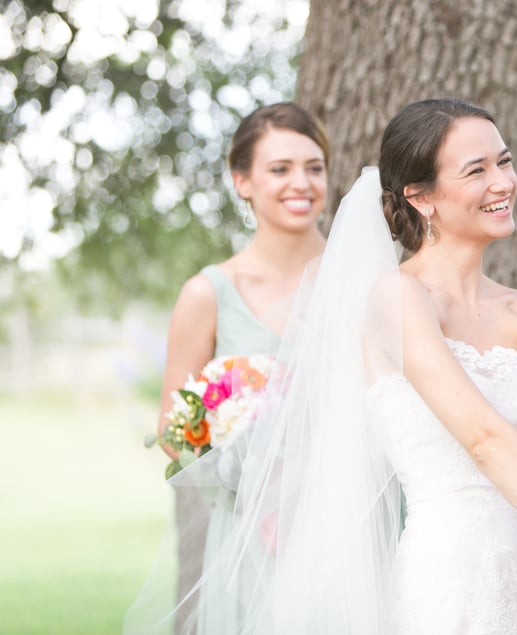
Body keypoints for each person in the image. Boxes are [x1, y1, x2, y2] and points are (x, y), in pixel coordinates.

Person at [157, 97, 517, 634]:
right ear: (421, 197)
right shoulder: (393, 298)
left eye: (504, 162)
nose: (502, 182)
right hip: (448, 581)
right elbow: (484, 438)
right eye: (477, 170)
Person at [132, 102, 330, 634]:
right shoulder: (210, 293)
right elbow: (173, 431)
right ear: (242, 181)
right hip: (246, 538)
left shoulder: (360, 283)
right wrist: (254, 484)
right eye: (280, 169)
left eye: (314, 167)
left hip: (344, 524)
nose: (302, 183)